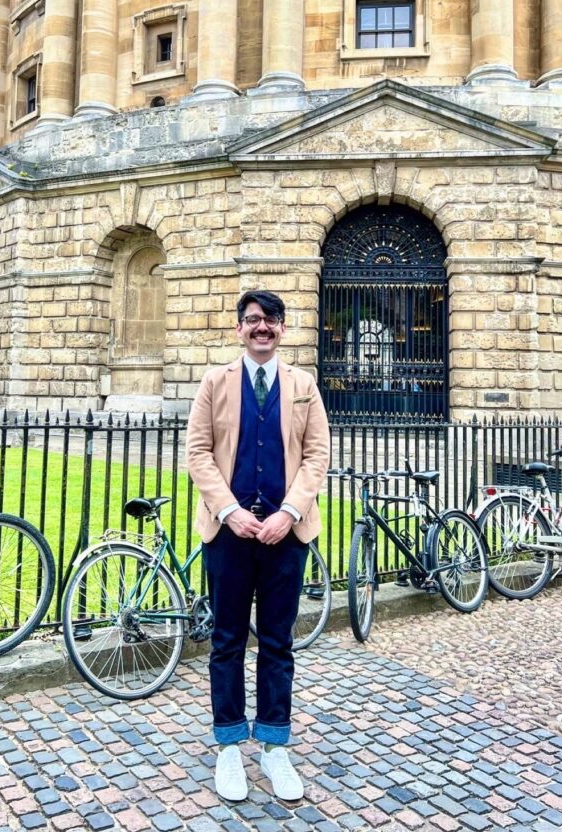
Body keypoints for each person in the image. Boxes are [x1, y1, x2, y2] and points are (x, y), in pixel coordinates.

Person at [186, 290, 330, 802]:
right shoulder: (214, 382)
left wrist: (289, 512)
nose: (261, 328)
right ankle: (228, 747)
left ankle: (274, 746)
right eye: (252, 320)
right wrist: (230, 511)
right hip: (229, 533)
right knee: (226, 641)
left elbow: (316, 456)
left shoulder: (304, 385)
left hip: (285, 535)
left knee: (277, 642)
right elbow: (198, 453)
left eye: (270, 320)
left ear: (283, 329)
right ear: (239, 329)